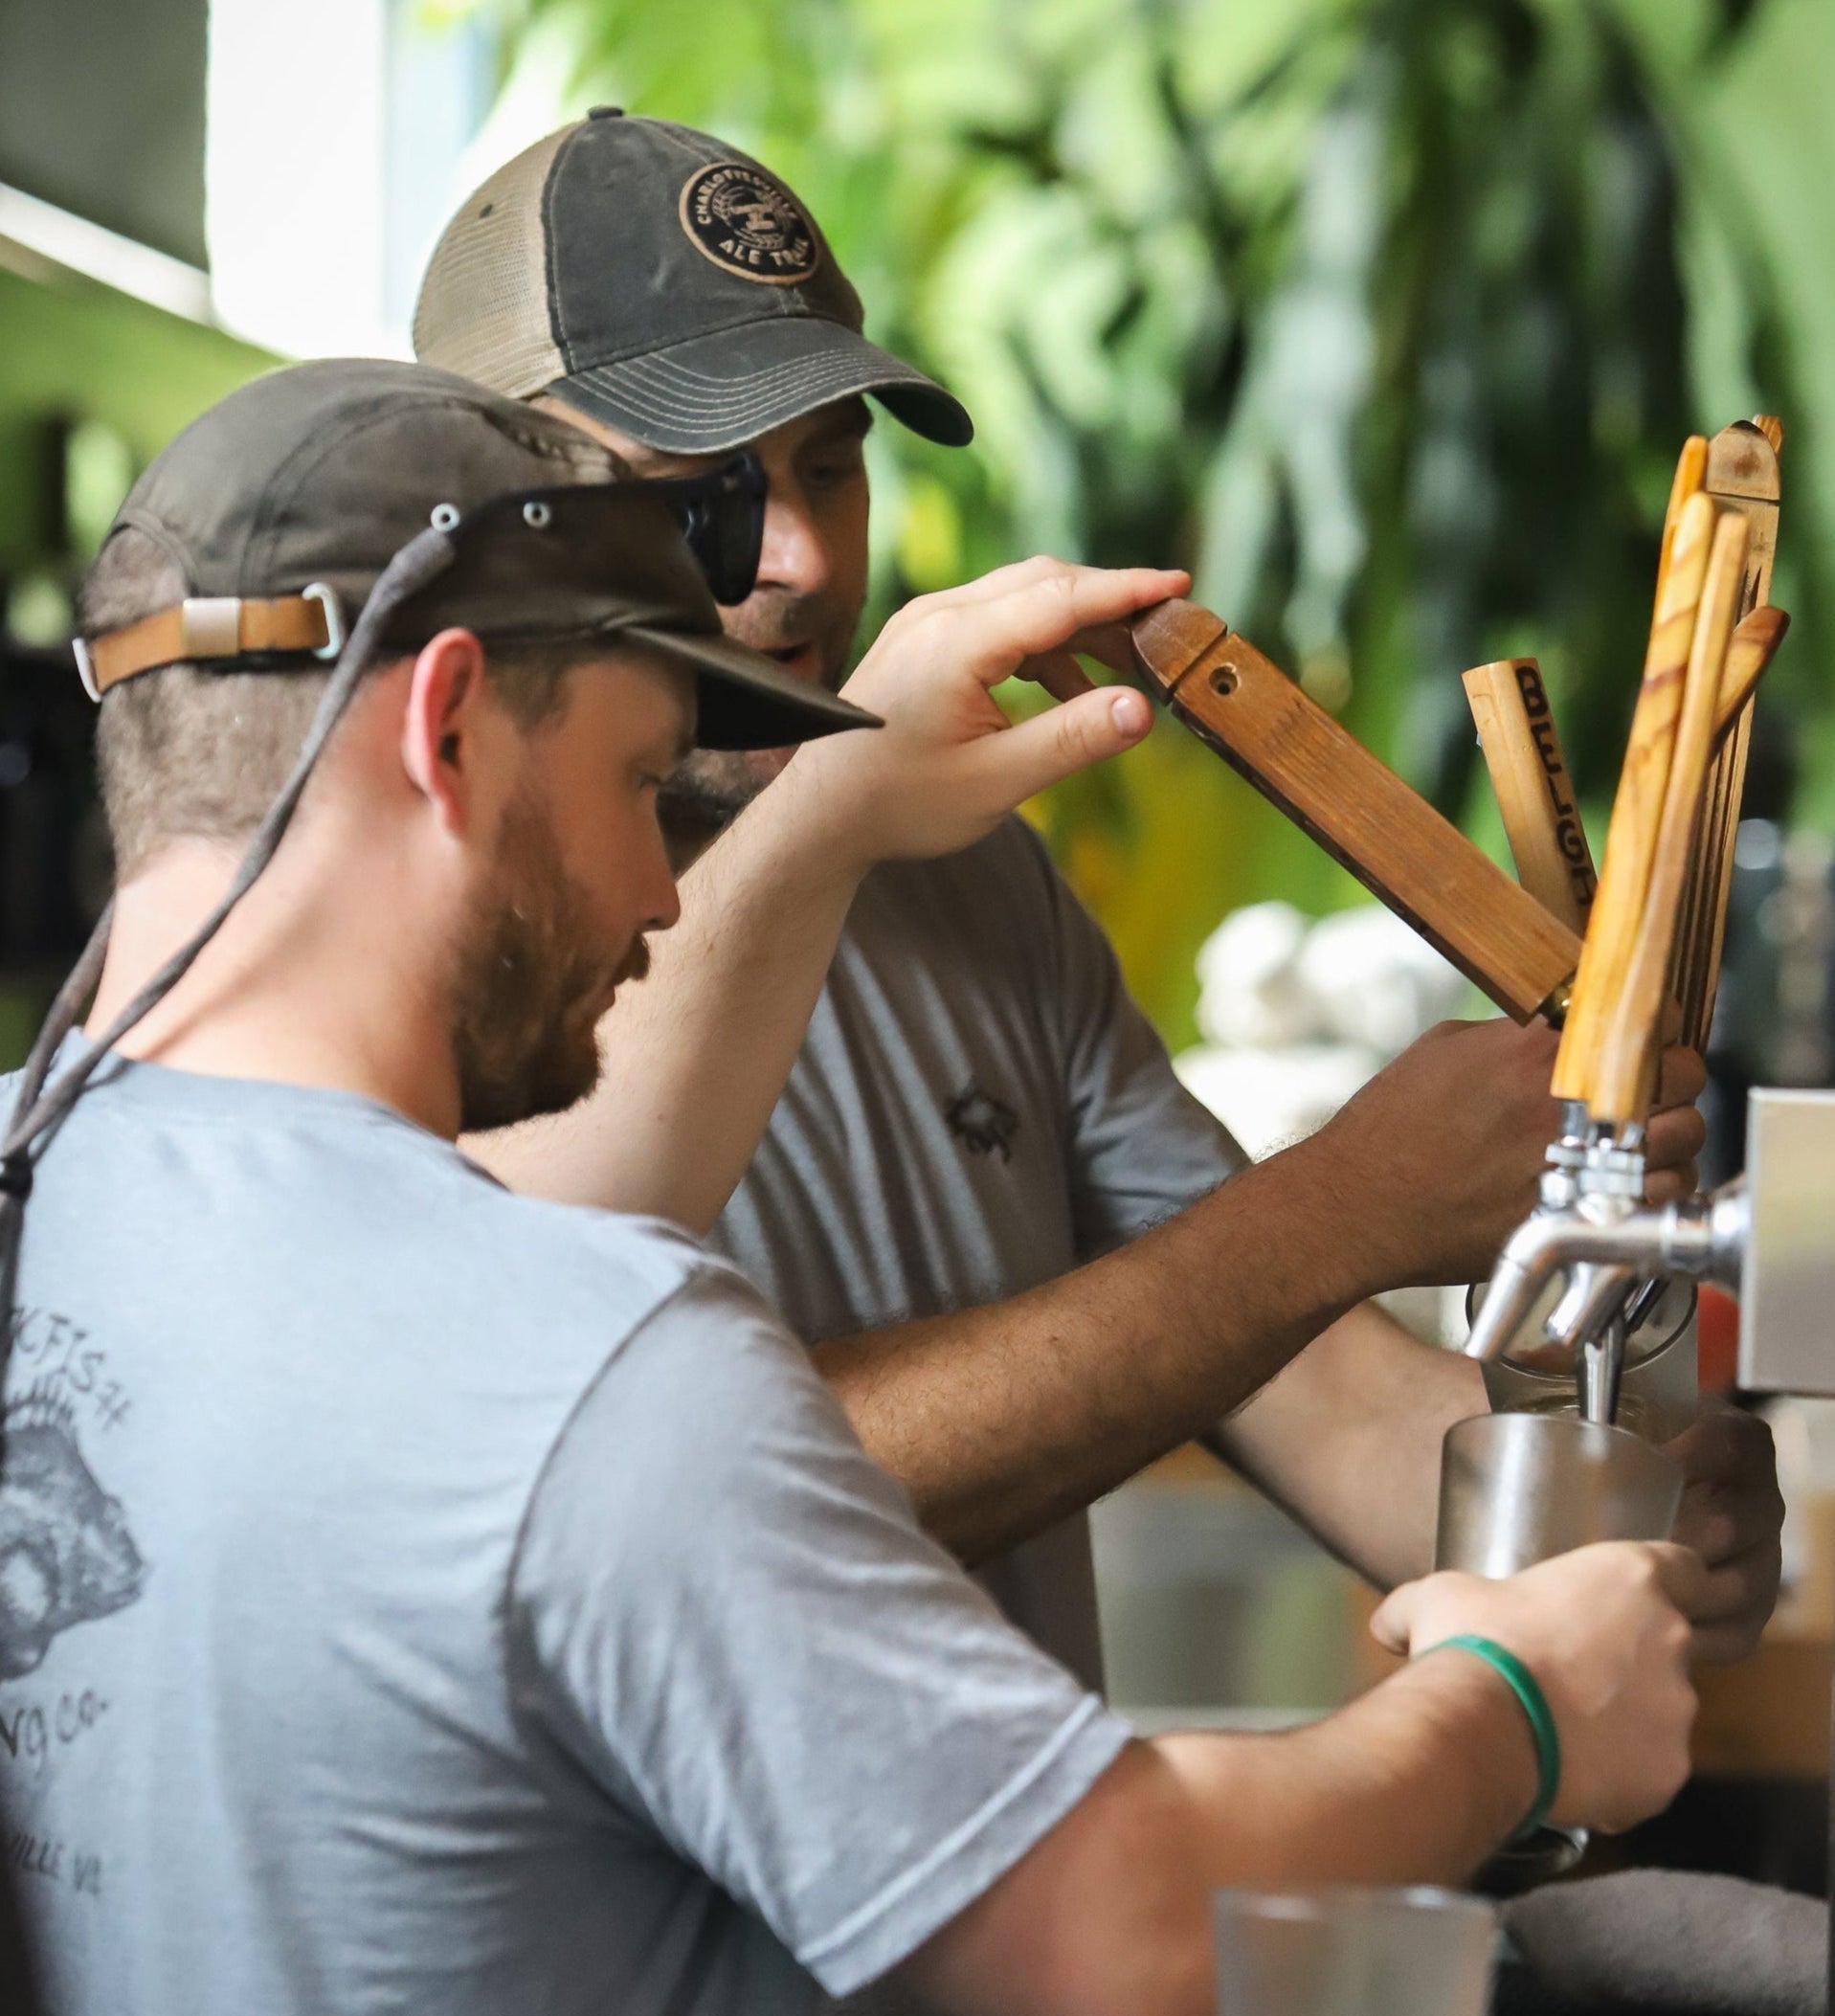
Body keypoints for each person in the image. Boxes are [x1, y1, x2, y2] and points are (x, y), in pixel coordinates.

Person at [4, 357, 1699, 2016]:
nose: (662, 889)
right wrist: (1516, 1709)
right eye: (629, 784)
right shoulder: (587, 1366)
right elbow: (1122, 1941)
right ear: (446, 733)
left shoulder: (44, 1199)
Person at [417, 122, 1779, 1651]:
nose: (796, 557)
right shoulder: (421, 944)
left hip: (1045, 1878)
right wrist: (1344, 1207)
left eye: (829, 468)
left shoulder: (977, 883)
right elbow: (653, 1487)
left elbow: (1301, 1384)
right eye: (699, 498)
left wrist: (1628, 1522)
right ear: (480, 530)